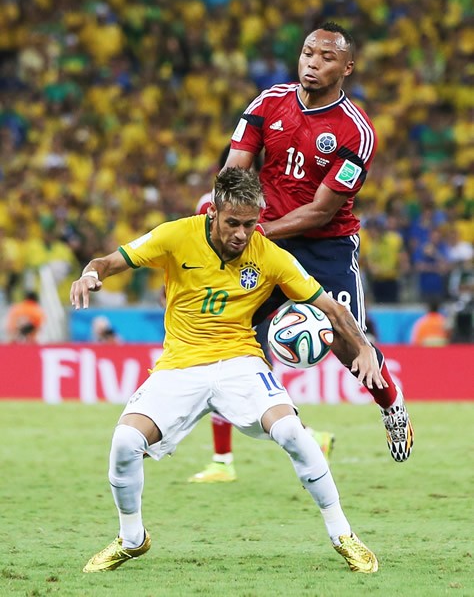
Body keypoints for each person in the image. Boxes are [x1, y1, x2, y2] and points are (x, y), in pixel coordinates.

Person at [71, 167, 384, 574]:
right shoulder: (175, 235)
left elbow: (331, 307)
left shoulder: (269, 254)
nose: (241, 233)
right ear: (213, 213)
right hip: (180, 364)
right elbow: (109, 261)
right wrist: (90, 274)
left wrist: (362, 347)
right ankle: (131, 539)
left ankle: (343, 534)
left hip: (240, 360)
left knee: (291, 431)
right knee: (125, 442)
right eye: (233, 223)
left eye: (250, 224)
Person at [191, 21, 414, 481]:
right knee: (226, 334)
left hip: (324, 247)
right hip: (264, 239)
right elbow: (235, 168)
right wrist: (222, 211)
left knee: (346, 344)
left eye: (326, 56)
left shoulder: (356, 131)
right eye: (308, 52)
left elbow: (319, 211)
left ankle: (391, 402)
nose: (313, 62)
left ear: (346, 67)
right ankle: (256, 446)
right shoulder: (268, 102)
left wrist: (259, 230)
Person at [191, 145, 334, 484]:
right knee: (243, 390)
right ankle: (305, 438)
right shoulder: (268, 207)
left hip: (231, 312)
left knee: (226, 386)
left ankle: (225, 460)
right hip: (256, 305)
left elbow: (200, 253)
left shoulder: (211, 206)